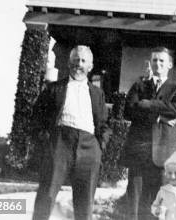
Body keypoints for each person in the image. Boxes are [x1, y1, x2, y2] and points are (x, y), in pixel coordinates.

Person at [32, 45, 111, 220]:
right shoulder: (55, 88)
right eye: (76, 60)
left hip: (89, 147)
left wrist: (99, 147)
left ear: (90, 66)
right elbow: (37, 116)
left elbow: (104, 124)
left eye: (83, 61)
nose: (79, 64)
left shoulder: (97, 93)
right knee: (47, 194)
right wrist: (46, 141)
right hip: (60, 143)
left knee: (85, 203)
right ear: (69, 63)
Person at [122, 47, 176, 220]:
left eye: (161, 61)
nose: (157, 64)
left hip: (164, 151)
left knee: (162, 199)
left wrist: (149, 105)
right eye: (154, 61)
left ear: (170, 65)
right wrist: (161, 117)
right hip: (139, 150)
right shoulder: (140, 85)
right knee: (135, 198)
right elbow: (128, 111)